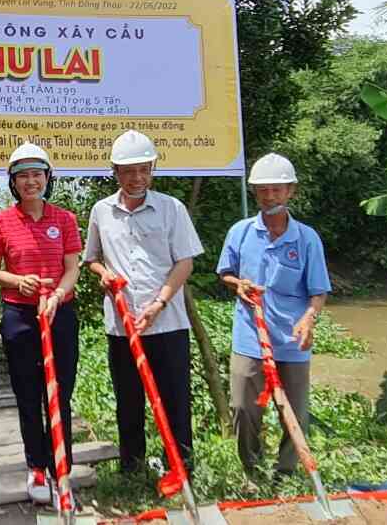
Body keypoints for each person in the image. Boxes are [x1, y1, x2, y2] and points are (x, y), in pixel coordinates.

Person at [83, 130, 203, 476]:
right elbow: (92, 259)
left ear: (152, 169)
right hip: (122, 327)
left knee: (175, 399)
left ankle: (180, 467)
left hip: (167, 323)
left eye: (143, 170)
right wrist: (103, 274)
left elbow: (185, 263)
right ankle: (132, 470)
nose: (136, 178)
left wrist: (159, 304)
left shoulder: (171, 208)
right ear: (115, 172)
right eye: (128, 171)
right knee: (129, 400)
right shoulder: (102, 211)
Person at [215, 153, 331, 483]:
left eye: (276, 189)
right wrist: (238, 284)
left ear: (290, 191)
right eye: (263, 190)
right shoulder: (240, 232)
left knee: (295, 412)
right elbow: (225, 273)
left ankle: (286, 473)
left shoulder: (306, 239)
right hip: (250, 336)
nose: (269, 196)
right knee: (243, 407)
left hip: (292, 340)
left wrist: (309, 319)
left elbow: (318, 291)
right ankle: (253, 471)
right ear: (254, 192)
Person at [0, 142, 82, 508]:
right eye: (22, 176)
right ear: (13, 182)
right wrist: (17, 281)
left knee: (59, 394)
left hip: (59, 314)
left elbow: (72, 267)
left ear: (47, 178)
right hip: (19, 317)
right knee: (27, 394)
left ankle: (61, 468)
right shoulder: (0, 221)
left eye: (36, 175)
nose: (30, 182)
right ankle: (36, 467)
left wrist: (57, 295)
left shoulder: (64, 219)